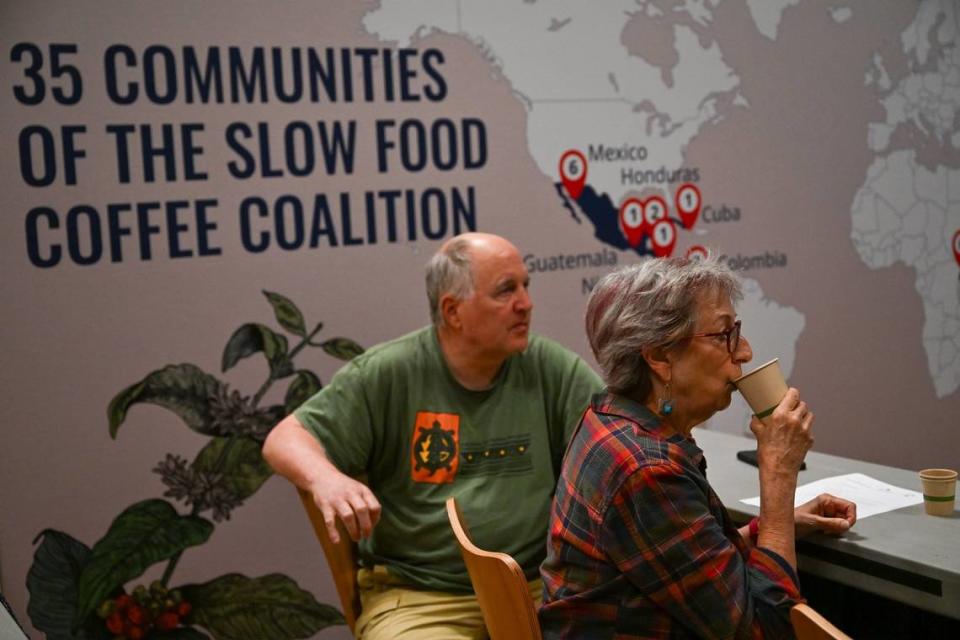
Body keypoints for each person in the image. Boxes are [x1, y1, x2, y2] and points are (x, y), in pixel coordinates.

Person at [263, 232, 603, 639]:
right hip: (419, 597)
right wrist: (326, 478)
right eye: (505, 291)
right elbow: (284, 439)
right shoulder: (389, 372)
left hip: (534, 590)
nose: (525, 304)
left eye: (525, 286)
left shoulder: (551, 367)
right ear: (453, 311)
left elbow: (617, 443)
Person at [539, 256, 857, 639]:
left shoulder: (607, 420)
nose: (744, 352)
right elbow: (764, 628)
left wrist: (773, 527)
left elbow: (687, 563)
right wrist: (778, 474)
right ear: (659, 355)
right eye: (724, 335)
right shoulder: (646, 470)